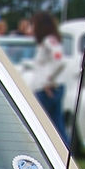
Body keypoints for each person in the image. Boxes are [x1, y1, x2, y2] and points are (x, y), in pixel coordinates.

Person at [28, 10, 67, 144]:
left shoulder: (49, 41)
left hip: (46, 90)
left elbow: (60, 61)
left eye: (32, 25)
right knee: (56, 127)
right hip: (50, 88)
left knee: (41, 125)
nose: (31, 29)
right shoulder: (47, 41)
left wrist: (47, 80)